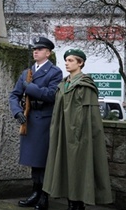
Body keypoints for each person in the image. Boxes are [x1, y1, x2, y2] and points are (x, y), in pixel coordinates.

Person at [43, 49, 112, 210]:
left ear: (80, 63)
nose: (66, 63)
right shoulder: (63, 84)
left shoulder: (85, 85)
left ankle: (77, 203)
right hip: (63, 134)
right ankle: (70, 202)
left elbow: (91, 117)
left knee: (79, 167)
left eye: (71, 60)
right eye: (66, 60)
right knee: (64, 167)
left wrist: (85, 135)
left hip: (80, 136)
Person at [8, 37, 62, 210]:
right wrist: (17, 112)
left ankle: (44, 195)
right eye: (34, 49)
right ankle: (35, 192)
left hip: (45, 119)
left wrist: (29, 87)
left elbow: (51, 94)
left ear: (48, 52)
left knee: (43, 161)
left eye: (40, 49)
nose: (35, 51)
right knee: (33, 160)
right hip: (29, 119)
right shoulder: (27, 73)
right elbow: (14, 95)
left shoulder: (55, 72)